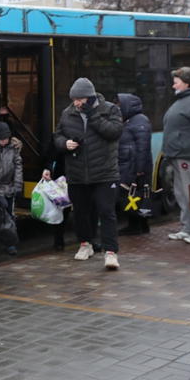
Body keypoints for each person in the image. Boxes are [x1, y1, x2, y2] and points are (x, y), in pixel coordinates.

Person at [53, 78, 123, 269]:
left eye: (80, 99)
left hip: (104, 173)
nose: (76, 103)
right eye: (73, 99)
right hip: (76, 173)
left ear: (91, 98)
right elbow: (57, 136)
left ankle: (110, 252)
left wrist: (93, 116)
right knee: (80, 212)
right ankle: (85, 244)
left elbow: (114, 132)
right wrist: (64, 144)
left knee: (106, 212)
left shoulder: (109, 110)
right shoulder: (68, 113)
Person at [161, 67, 190, 244]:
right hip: (178, 155)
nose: (173, 85)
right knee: (181, 193)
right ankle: (187, 228)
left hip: (189, 156)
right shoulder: (184, 99)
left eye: (176, 81)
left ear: (186, 82)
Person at [116, 93, 152, 236]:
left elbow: (143, 147)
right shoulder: (131, 120)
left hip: (135, 166)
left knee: (134, 194)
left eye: (120, 105)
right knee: (135, 195)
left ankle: (137, 225)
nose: (118, 108)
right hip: (131, 165)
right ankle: (141, 225)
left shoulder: (138, 121)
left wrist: (139, 169)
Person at [0, 122, 22, 255]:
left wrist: (17, 185)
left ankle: (9, 243)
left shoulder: (13, 149)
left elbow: (18, 167)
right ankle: (0, 241)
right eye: (1, 139)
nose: (3, 141)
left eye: (5, 138)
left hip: (10, 187)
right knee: (1, 210)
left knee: (9, 214)